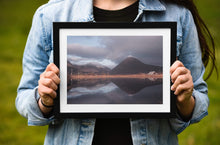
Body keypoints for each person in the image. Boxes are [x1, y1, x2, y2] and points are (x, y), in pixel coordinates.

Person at [16, 0, 217, 145]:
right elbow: (24, 96)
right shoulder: (50, 14)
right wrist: (45, 101)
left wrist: (185, 101)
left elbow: (199, 99)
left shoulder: (178, 14)